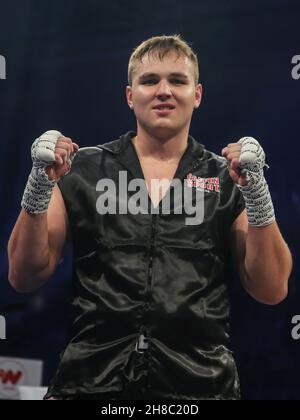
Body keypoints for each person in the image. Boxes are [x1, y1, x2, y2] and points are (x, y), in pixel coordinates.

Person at [8, 35, 292, 400]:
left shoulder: (228, 177)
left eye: (177, 80)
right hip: (91, 383)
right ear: (130, 96)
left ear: (197, 94)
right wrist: (38, 185)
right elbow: (24, 275)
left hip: (199, 388)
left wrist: (256, 193)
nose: (163, 91)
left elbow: (271, 289)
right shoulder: (82, 169)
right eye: (149, 80)